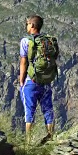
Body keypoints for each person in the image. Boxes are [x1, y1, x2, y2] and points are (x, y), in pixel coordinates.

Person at [19, 15, 57, 145]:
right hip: (46, 81)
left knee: (29, 110)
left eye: (27, 23)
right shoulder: (47, 41)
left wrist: (21, 80)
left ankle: (28, 142)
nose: (26, 26)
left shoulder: (26, 41)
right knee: (48, 109)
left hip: (31, 81)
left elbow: (23, 62)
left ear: (32, 25)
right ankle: (50, 138)